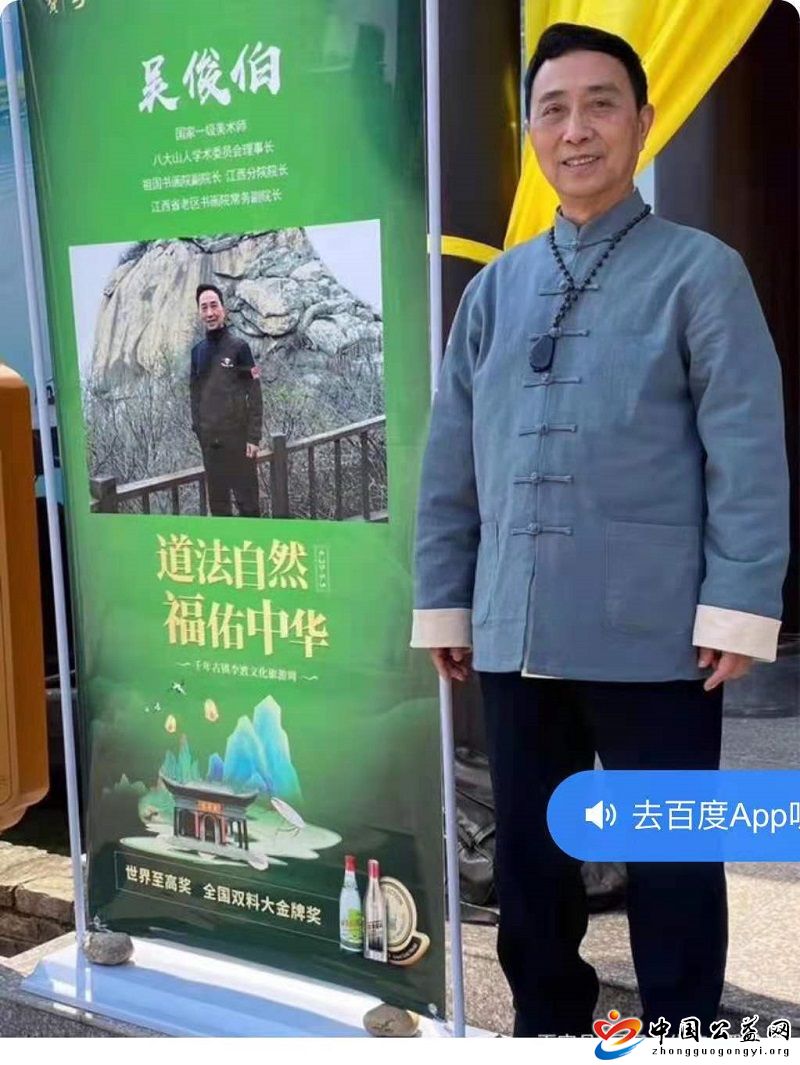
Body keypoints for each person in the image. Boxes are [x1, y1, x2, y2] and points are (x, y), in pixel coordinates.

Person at [412, 23, 790, 1038]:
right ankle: (545, 1031)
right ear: (532, 132)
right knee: (532, 865)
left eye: (599, 105)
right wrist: (445, 597)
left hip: (658, 634)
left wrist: (737, 604)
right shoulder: (494, 290)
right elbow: (450, 462)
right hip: (515, 631)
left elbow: (746, 451)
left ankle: (678, 1036)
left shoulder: (700, 273)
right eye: (553, 109)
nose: (575, 129)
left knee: (671, 858)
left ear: (642, 121)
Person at [190, 284, 263, 517]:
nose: (210, 313)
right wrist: (200, 432)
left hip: (240, 444)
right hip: (211, 447)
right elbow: (194, 395)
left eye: (214, 306)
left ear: (224, 309)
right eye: (204, 307)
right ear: (199, 313)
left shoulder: (240, 347)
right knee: (219, 510)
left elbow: (255, 392)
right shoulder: (197, 352)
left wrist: (253, 437)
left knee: (249, 508)